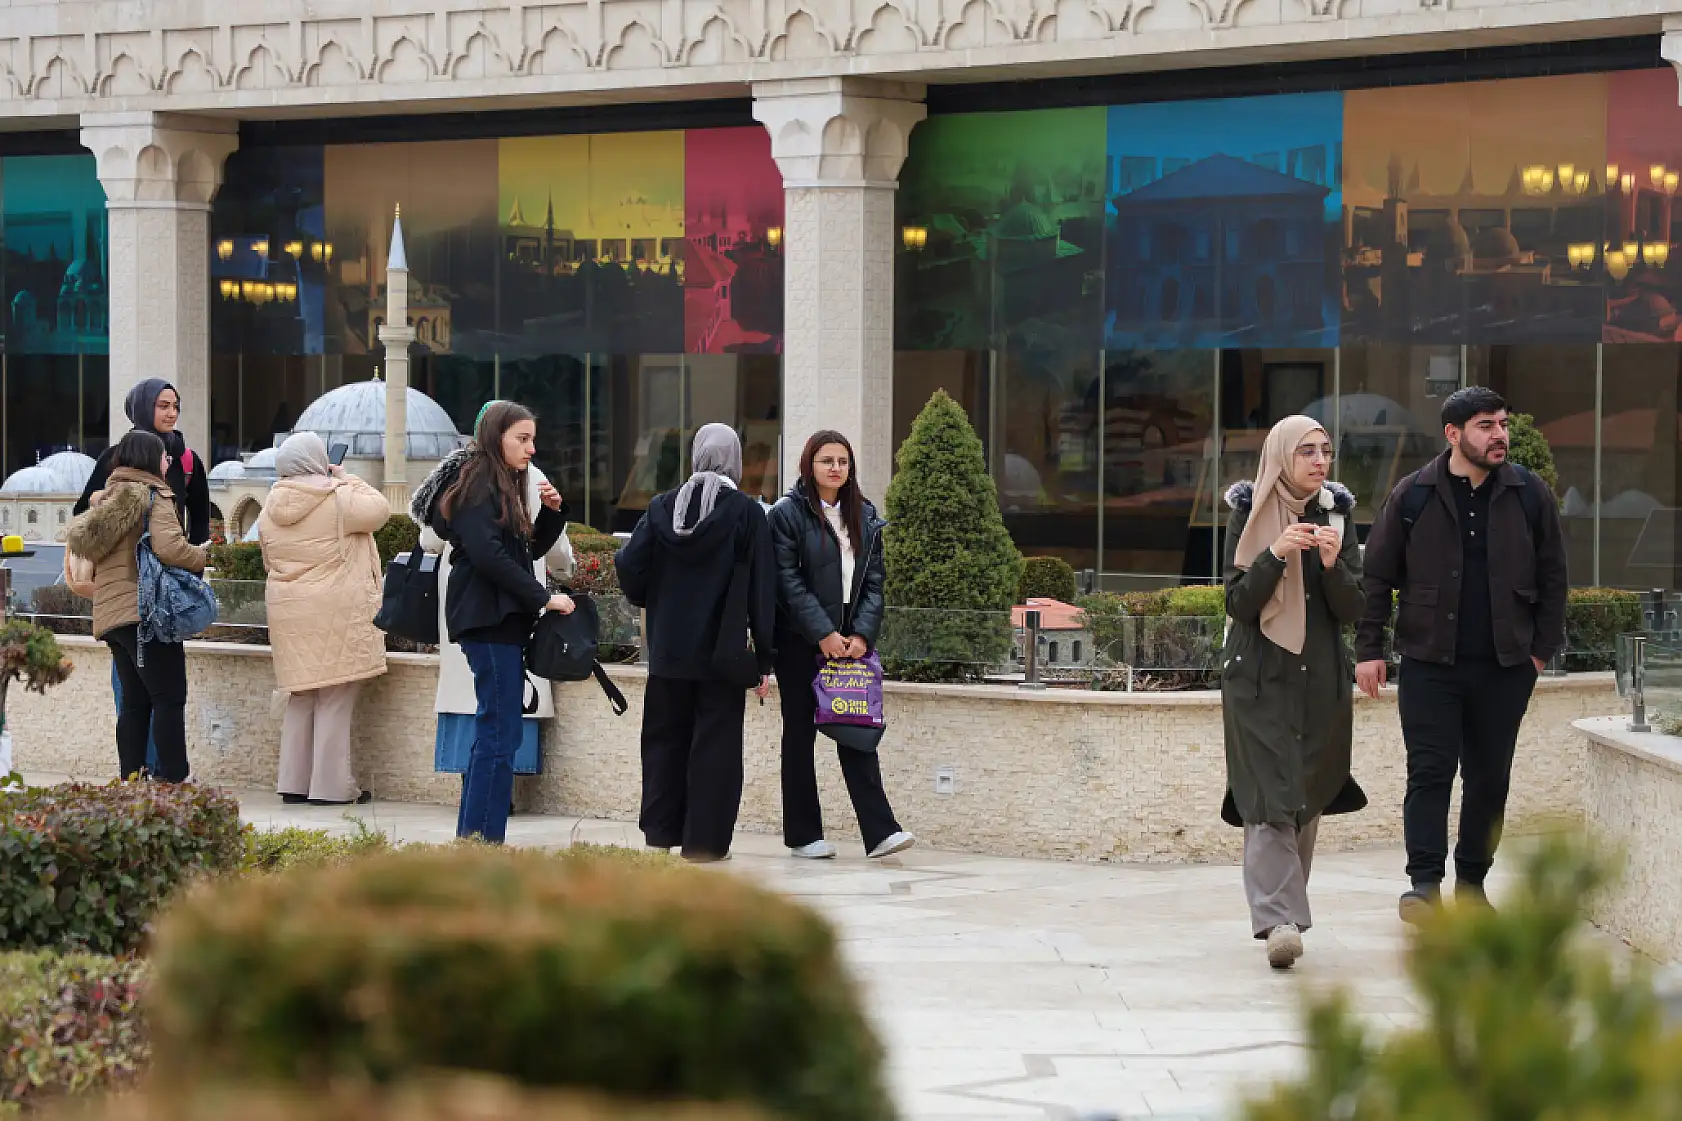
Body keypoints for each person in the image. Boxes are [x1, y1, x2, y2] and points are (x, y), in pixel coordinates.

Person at [1356, 386, 1568, 925]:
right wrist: (1369, 649)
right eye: (1485, 425)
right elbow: (1377, 577)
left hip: (1505, 667)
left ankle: (1472, 884)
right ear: (1453, 434)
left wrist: (1540, 652)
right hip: (1430, 663)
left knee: (1489, 778)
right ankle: (1424, 886)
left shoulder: (1528, 493)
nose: (1499, 435)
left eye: (1502, 423)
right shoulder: (1413, 495)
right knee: (1429, 773)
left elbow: (1553, 577)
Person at [1221, 415, 1368, 970]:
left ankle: (1285, 906)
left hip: (1319, 681)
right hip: (1258, 680)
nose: (1319, 461)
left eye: (1325, 450)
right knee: (1268, 798)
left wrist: (1332, 563)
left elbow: (1354, 607)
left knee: (1305, 793)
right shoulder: (1248, 513)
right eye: (1307, 451)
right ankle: (1281, 919)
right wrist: (1276, 552)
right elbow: (1238, 603)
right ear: (1282, 456)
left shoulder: (1337, 514)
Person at [615, 423, 775, 863]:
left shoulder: (662, 506)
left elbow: (629, 564)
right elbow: (763, 590)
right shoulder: (747, 513)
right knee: (715, 748)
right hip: (721, 656)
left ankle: (661, 834)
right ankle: (703, 843)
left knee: (664, 742)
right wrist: (764, 657)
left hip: (667, 650)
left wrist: (654, 599)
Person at [426, 401, 573, 844]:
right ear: (496, 437)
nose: (531, 448)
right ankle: (482, 842)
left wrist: (553, 511)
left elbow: (523, 552)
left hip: (499, 620)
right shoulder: (476, 481)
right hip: (487, 620)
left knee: (497, 731)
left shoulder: (502, 481)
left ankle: (476, 838)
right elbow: (489, 555)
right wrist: (543, 598)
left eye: (532, 439)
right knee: (500, 733)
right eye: (521, 439)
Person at [767, 430, 915, 860]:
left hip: (851, 642)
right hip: (800, 642)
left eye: (843, 462)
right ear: (808, 466)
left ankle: (880, 831)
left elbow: (874, 583)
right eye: (826, 461)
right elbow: (787, 583)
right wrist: (823, 633)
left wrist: (861, 635)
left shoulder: (865, 516)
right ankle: (803, 836)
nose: (835, 468)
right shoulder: (786, 515)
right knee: (799, 736)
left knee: (857, 729)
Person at [74, 379, 212, 778]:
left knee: (137, 700)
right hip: (147, 603)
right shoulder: (146, 487)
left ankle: (134, 779)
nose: (170, 412)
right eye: (162, 404)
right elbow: (175, 545)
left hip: (116, 608)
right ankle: (169, 779)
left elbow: (199, 518)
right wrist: (199, 560)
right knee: (165, 696)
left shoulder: (186, 461)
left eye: (175, 405)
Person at [257, 432, 391, 806]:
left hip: (289, 611)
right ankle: (331, 788)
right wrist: (345, 476)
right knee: (335, 694)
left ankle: (293, 782)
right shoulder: (337, 497)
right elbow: (379, 510)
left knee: (301, 693)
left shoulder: (270, 507)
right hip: (336, 610)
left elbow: (269, 560)